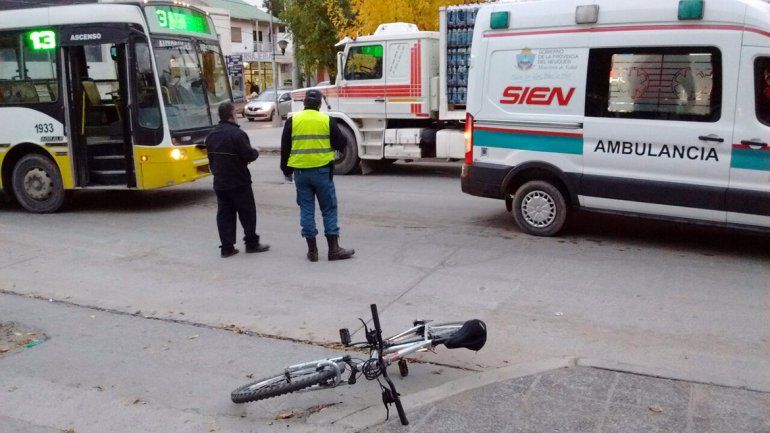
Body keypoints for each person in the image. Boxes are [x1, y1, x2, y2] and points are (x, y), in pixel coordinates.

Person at [280, 89, 354, 262]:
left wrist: (286, 170)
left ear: (304, 103)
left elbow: (285, 148)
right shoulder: (326, 120)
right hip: (321, 171)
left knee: (306, 209)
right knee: (328, 209)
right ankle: (333, 250)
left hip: (300, 173)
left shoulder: (293, 120)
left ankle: (312, 251)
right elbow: (341, 142)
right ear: (320, 104)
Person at [206, 102, 270, 258]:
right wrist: (256, 152)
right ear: (231, 115)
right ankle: (251, 243)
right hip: (239, 181)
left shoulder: (211, 135)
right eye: (235, 112)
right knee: (247, 213)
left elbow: (211, 158)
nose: (236, 114)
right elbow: (248, 155)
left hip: (220, 182)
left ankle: (227, 248)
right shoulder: (237, 134)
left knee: (224, 214)